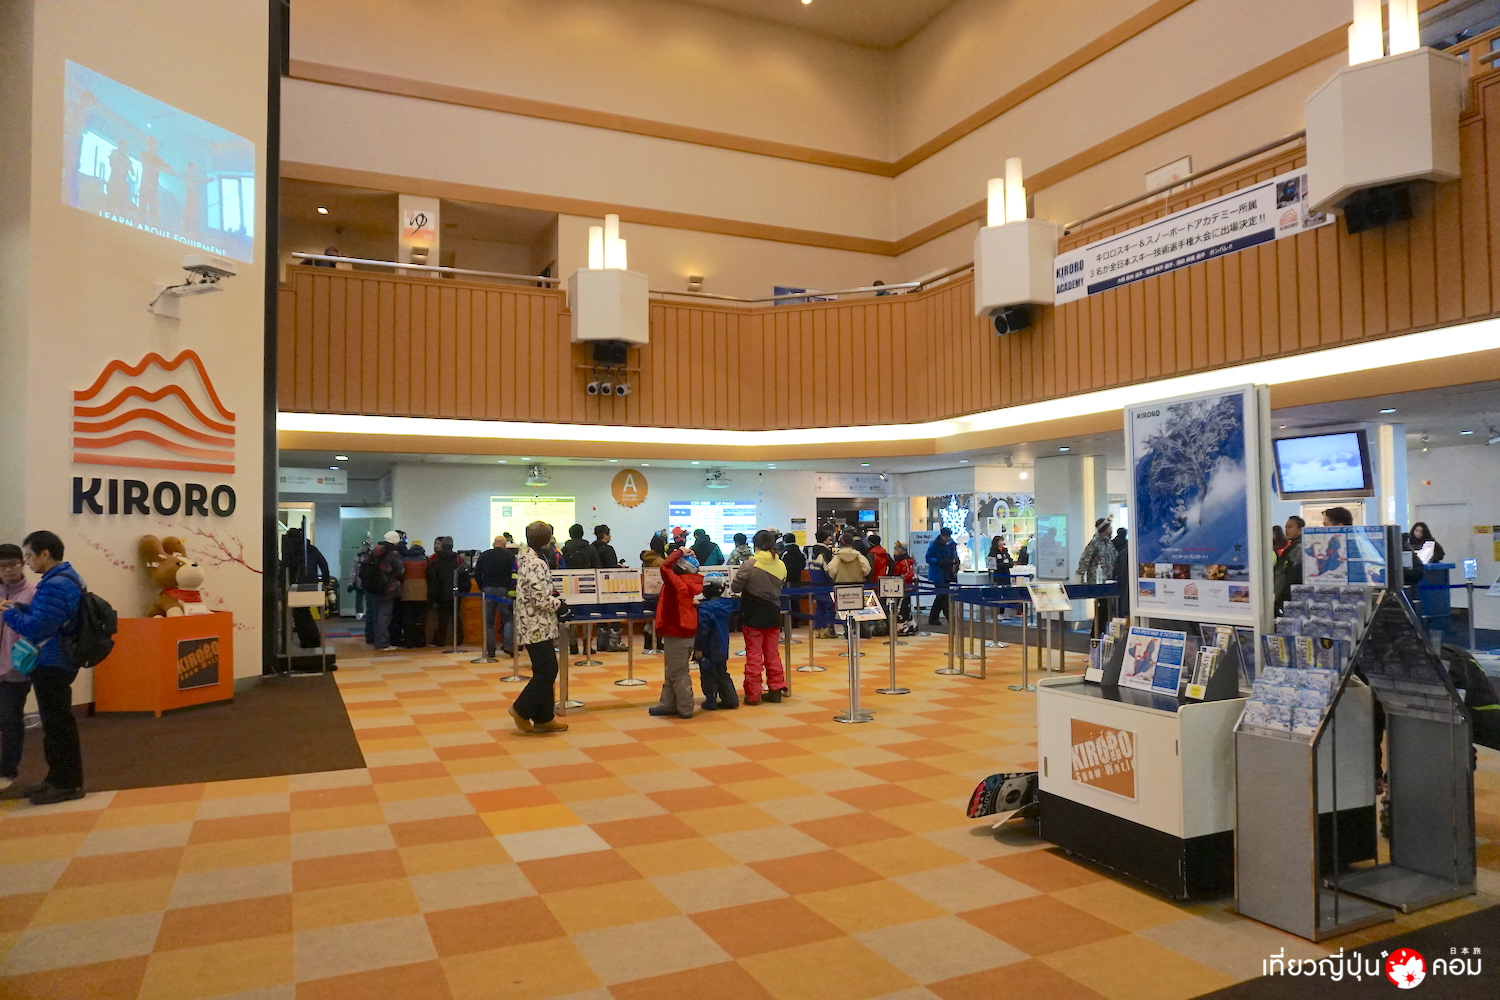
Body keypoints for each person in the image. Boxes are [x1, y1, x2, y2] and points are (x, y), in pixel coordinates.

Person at [0, 532, 86, 804]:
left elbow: (36, 627)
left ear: (45, 554)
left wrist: (8, 613)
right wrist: (19, 608)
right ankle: (56, 779)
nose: (27, 561)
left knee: (58, 725)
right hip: (56, 660)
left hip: (53, 662)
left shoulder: (55, 584)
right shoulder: (63, 578)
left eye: (28, 556)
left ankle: (67, 784)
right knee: (55, 724)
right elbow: (47, 618)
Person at [507, 522, 568, 734]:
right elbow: (540, 599)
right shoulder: (536, 563)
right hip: (536, 625)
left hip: (533, 624)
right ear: (547, 539)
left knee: (543, 669)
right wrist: (560, 606)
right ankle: (520, 709)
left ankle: (544, 718)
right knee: (548, 670)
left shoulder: (526, 558)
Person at [733, 529, 788, 704]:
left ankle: (753, 694)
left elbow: (735, 587)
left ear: (755, 545)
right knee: (772, 654)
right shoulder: (781, 564)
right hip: (773, 613)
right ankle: (776, 690)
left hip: (753, 615)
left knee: (754, 656)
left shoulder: (750, 564)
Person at [0, 545, 37, 789]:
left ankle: (7, 770)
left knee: (10, 719)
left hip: (16, 670)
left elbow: (34, 628)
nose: (7, 570)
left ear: (22, 563)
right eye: (1, 566)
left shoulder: (33, 593)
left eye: (12, 563)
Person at [651, 546, 702, 718]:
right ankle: (667, 704)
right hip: (683, 631)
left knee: (678, 673)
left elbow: (664, 566)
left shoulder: (677, 583)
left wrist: (680, 551)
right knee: (673, 670)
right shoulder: (688, 581)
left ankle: (685, 708)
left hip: (677, 631)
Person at [281, 526, 330, 649]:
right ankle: (312, 641)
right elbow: (323, 563)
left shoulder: (293, 550)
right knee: (304, 612)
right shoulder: (311, 549)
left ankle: (309, 641)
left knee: (300, 614)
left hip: (296, 586)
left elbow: (285, 567)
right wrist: (326, 581)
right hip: (311, 585)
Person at [694, 580, 738, 711]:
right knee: (722, 672)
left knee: (707, 674)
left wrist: (699, 648)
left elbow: (703, 631)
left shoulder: (704, 609)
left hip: (708, 647)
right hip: (722, 645)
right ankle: (730, 699)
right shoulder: (726, 605)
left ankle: (710, 700)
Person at [473, 535, 516, 660]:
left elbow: (477, 573)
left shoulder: (485, 555)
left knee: (488, 621)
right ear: (505, 545)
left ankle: (490, 650)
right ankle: (508, 645)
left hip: (487, 589)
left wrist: (482, 587)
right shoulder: (510, 556)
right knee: (508, 618)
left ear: (493, 543)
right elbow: (514, 573)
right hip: (504, 590)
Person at [364, 530, 405, 650]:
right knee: (385, 615)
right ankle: (383, 643)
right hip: (388, 588)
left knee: (376, 614)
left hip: (374, 587)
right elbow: (401, 570)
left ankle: (375, 639)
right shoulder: (393, 553)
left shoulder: (375, 550)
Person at [427, 537, 470, 647]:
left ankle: (440, 641)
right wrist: (463, 590)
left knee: (442, 618)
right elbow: (465, 576)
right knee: (456, 617)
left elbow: (433, 578)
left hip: (442, 593)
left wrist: (434, 594)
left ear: (442, 546)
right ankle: (458, 640)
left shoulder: (436, 560)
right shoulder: (458, 559)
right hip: (456, 592)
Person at [399, 539, 430, 647]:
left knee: (408, 617)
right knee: (420, 617)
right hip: (422, 591)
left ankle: (409, 642)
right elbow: (429, 575)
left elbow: (401, 575)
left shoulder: (405, 560)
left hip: (407, 591)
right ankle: (420, 641)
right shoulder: (425, 560)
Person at [925, 527, 959, 625]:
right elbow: (928, 558)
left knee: (941, 596)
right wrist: (938, 561)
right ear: (942, 535)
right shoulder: (934, 545)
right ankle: (949, 618)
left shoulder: (952, 545)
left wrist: (956, 562)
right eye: (946, 536)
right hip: (938, 574)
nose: (947, 538)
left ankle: (933, 617)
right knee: (943, 597)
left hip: (948, 573)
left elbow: (954, 556)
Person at [1273, 516, 1304, 615]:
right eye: (1286, 527)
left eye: (1290, 527)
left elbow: (1295, 576)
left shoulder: (1299, 549)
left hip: (1291, 598)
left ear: (1300, 529)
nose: (1286, 530)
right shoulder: (1290, 548)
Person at [640, 546, 665, 653]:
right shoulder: (660, 561)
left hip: (648, 590)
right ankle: (657, 642)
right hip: (659, 591)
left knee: (650, 618)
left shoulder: (646, 559)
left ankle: (648, 640)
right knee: (659, 617)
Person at [892, 542, 918, 635]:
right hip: (903, 588)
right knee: (905, 608)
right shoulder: (902, 561)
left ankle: (902, 628)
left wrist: (897, 580)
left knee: (899, 609)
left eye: (896, 549)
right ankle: (912, 625)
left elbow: (908, 574)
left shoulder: (904, 562)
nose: (894, 551)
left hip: (903, 588)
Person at [348, 540, 372, 620]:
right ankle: (359, 613)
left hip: (369, 583)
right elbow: (353, 571)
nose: (363, 548)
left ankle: (369, 613)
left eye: (365, 546)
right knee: (359, 599)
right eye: (362, 546)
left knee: (369, 599)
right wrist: (351, 583)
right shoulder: (357, 559)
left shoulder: (372, 558)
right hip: (359, 583)